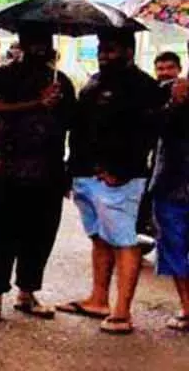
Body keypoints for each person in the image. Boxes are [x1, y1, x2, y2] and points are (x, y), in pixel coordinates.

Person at [58, 30, 164, 335]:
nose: (104, 55)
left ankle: (122, 312)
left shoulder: (143, 86)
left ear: (129, 51)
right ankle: (98, 300)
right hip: (85, 174)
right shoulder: (94, 82)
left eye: (112, 50)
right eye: (101, 50)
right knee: (100, 238)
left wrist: (123, 170)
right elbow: (78, 127)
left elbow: (147, 133)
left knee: (124, 241)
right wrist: (71, 169)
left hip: (119, 179)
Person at [0, 25, 76, 322]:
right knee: (0, 235)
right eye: (33, 40)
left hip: (47, 171)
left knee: (40, 236)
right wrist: (37, 103)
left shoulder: (62, 82)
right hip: (7, 169)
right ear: (21, 42)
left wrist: (58, 104)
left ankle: (27, 293)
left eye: (44, 40)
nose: (39, 46)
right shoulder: (3, 75)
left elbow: (73, 123)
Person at [154, 67, 189, 331]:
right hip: (173, 183)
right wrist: (175, 102)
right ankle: (187, 307)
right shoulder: (168, 90)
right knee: (174, 247)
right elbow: (156, 128)